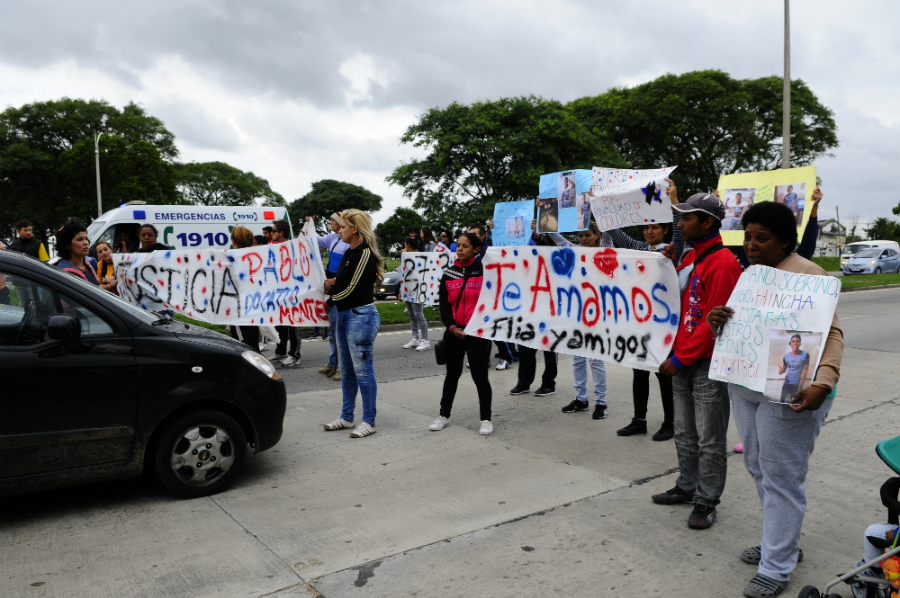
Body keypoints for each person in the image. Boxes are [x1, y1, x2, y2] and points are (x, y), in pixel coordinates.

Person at [707, 196, 843, 598]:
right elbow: (743, 324)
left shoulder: (809, 274)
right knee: (757, 464)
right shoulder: (751, 275)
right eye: (748, 237)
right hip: (745, 384)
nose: (750, 245)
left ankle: (777, 566)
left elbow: (832, 334)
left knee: (783, 475)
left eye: (761, 238)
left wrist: (824, 381)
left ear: (785, 242)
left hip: (790, 390)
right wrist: (720, 320)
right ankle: (781, 543)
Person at [651, 192, 742, 531]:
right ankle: (687, 486)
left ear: (708, 222)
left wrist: (681, 357)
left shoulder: (723, 263)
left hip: (704, 363)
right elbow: (682, 306)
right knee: (685, 432)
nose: (680, 223)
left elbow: (713, 322)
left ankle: (707, 499)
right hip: (680, 358)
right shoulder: (691, 257)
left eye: (687, 218)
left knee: (709, 437)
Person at [604, 178, 680, 440]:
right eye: (646, 227)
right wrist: (602, 206)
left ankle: (671, 422)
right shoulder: (639, 248)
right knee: (639, 371)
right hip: (641, 321)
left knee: (663, 373)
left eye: (655, 227)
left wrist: (674, 202)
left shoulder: (673, 251)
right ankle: (640, 419)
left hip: (665, 323)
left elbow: (680, 231)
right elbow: (616, 235)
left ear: (665, 230)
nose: (649, 231)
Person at [321, 209, 383, 438]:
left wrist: (331, 298)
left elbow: (353, 288)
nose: (340, 231)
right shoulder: (349, 253)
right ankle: (347, 417)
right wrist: (332, 283)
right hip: (345, 315)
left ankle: (369, 421)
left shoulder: (364, 253)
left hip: (360, 316)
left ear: (355, 228)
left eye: (344, 227)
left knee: (363, 371)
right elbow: (343, 282)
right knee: (346, 370)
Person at [540, 221, 611, 419]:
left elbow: (608, 236)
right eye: (580, 236)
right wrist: (544, 216)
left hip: (597, 314)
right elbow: (558, 239)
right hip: (577, 313)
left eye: (587, 235)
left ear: (596, 235)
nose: (584, 239)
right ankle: (581, 399)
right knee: (578, 359)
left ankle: (601, 402)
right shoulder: (575, 251)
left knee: (596, 359)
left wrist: (604, 221)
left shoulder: (605, 251)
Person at [428, 232, 493, 436]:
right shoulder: (449, 273)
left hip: (478, 333)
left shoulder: (485, 271)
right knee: (452, 375)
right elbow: (445, 305)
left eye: (465, 246)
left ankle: (486, 419)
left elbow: (492, 300)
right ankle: (443, 416)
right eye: (459, 245)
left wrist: (480, 326)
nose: (460, 249)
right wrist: (452, 327)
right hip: (454, 333)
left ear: (476, 249)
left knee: (480, 376)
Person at [308, 213, 350, 380]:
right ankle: (333, 362)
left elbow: (349, 269)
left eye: (332, 220)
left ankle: (342, 366)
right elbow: (315, 241)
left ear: (340, 223)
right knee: (332, 327)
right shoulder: (333, 237)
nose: (329, 222)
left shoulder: (347, 243)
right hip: (331, 286)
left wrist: (336, 281)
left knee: (340, 329)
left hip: (340, 286)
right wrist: (310, 226)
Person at [269, 220, 301, 366]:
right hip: (276, 291)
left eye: (273, 231)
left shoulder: (292, 247)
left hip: (291, 291)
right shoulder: (272, 246)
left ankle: (294, 355)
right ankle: (280, 351)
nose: (271, 234)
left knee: (292, 324)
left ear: (281, 233)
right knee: (279, 323)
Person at [227, 226, 262, 352]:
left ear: (234, 241)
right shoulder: (256, 259)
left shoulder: (230, 260)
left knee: (245, 349)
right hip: (253, 310)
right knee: (252, 347)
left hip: (239, 313)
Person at [401, 237, 430, 352]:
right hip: (408, 289)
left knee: (419, 315)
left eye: (405, 244)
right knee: (411, 315)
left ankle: (426, 340)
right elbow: (404, 273)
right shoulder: (406, 256)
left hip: (417, 289)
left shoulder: (419, 256)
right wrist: (401, 291)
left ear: (408, 244)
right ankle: (415, 338)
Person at [55, 219, 99, 284]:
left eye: (86, 239)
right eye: (80, 239)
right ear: (67, 244)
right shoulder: (66, 273)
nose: (86, 243)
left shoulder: (87, 265)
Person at [778, 334, 810, 403]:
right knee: (782, 401)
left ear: (800, 343)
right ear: (790, 344)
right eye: (793, 341)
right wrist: (781, 371)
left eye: (797, 341)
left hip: (796, 385)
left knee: (794, 404)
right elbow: (784, 369)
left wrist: (800, 386)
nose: (795, 343)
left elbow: (805, 371)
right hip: (786, 384)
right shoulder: (786, 356)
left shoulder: (805, 355)